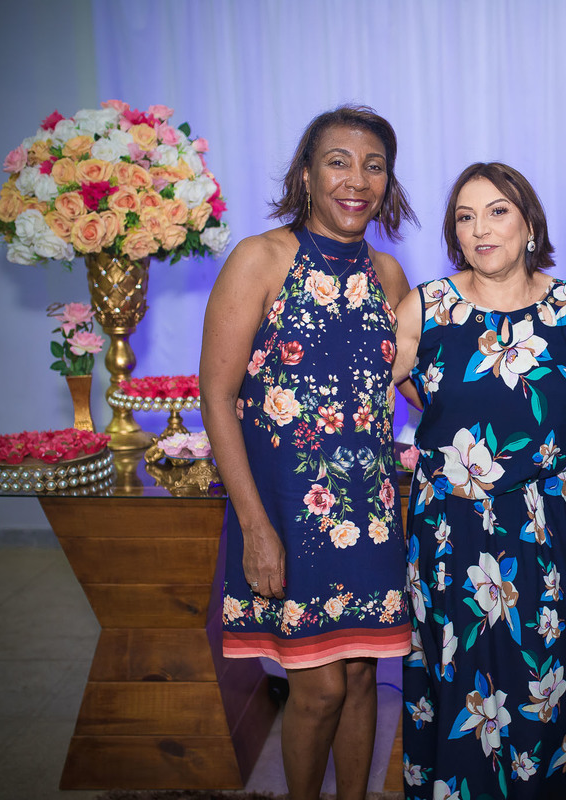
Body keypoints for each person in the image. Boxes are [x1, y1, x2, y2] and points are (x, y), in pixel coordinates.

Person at [200, 105, 417, 800]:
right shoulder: (260, 259)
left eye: (374, 166)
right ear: (306, 174)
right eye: (338, 162)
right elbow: (217, 397)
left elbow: (421, 387)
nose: (358, 180)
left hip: (370, 516)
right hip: (288, 514)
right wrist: (255, 527)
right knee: (319, 689)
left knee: (360, 679)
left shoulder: (388, 274)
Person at [394, 162, 566, 799]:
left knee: (542, 683)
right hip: (449, 532)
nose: (481, 229)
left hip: (543, 530)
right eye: (466, 216)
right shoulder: (427, 306)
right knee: (459, 687)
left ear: (530, 224)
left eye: (497, 211)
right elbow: (371, 391)